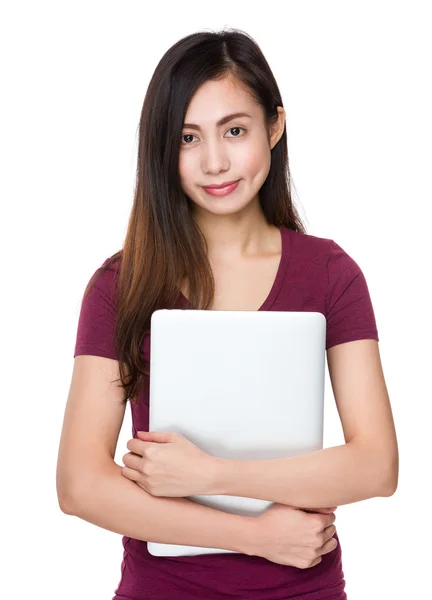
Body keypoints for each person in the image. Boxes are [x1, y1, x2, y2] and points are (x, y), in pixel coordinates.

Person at [56, 27, 398, 600]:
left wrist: (212, 476)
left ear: (274, 127)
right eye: (188, 138)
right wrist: (255, 535)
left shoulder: (330, 273)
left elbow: (376, 465)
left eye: (234, 130)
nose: (215, 162)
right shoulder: (120, 284)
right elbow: (79, 484)